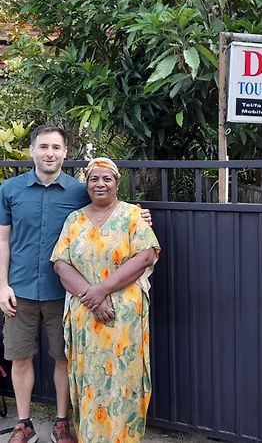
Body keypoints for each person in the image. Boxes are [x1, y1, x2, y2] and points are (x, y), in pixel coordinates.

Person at [0, 126, 152, 443]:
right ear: (32, 150)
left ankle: (61, 423)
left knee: (63, 358)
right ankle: (23, 424)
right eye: (43, 146)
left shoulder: (77, 190)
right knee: (20, 357)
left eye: (56, 147)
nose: (49, 153)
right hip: (22, 288)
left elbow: (108, 203)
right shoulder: (9, 189)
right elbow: (4, 239)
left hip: (65, 295)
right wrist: (2, 285)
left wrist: (141, 215)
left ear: (65, 152)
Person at [50, 157, 160, 443]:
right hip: (85, 314)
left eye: (106, 179)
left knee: (123, 379)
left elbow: (146, 255)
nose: (100, 184)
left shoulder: (132, 216)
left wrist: (102, 291)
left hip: (123, 316)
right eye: (94, 179)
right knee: (90, 378)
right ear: (87, 184)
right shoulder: (74, 220)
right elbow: (61, 264)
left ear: (116, 183)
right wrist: (93, 297)